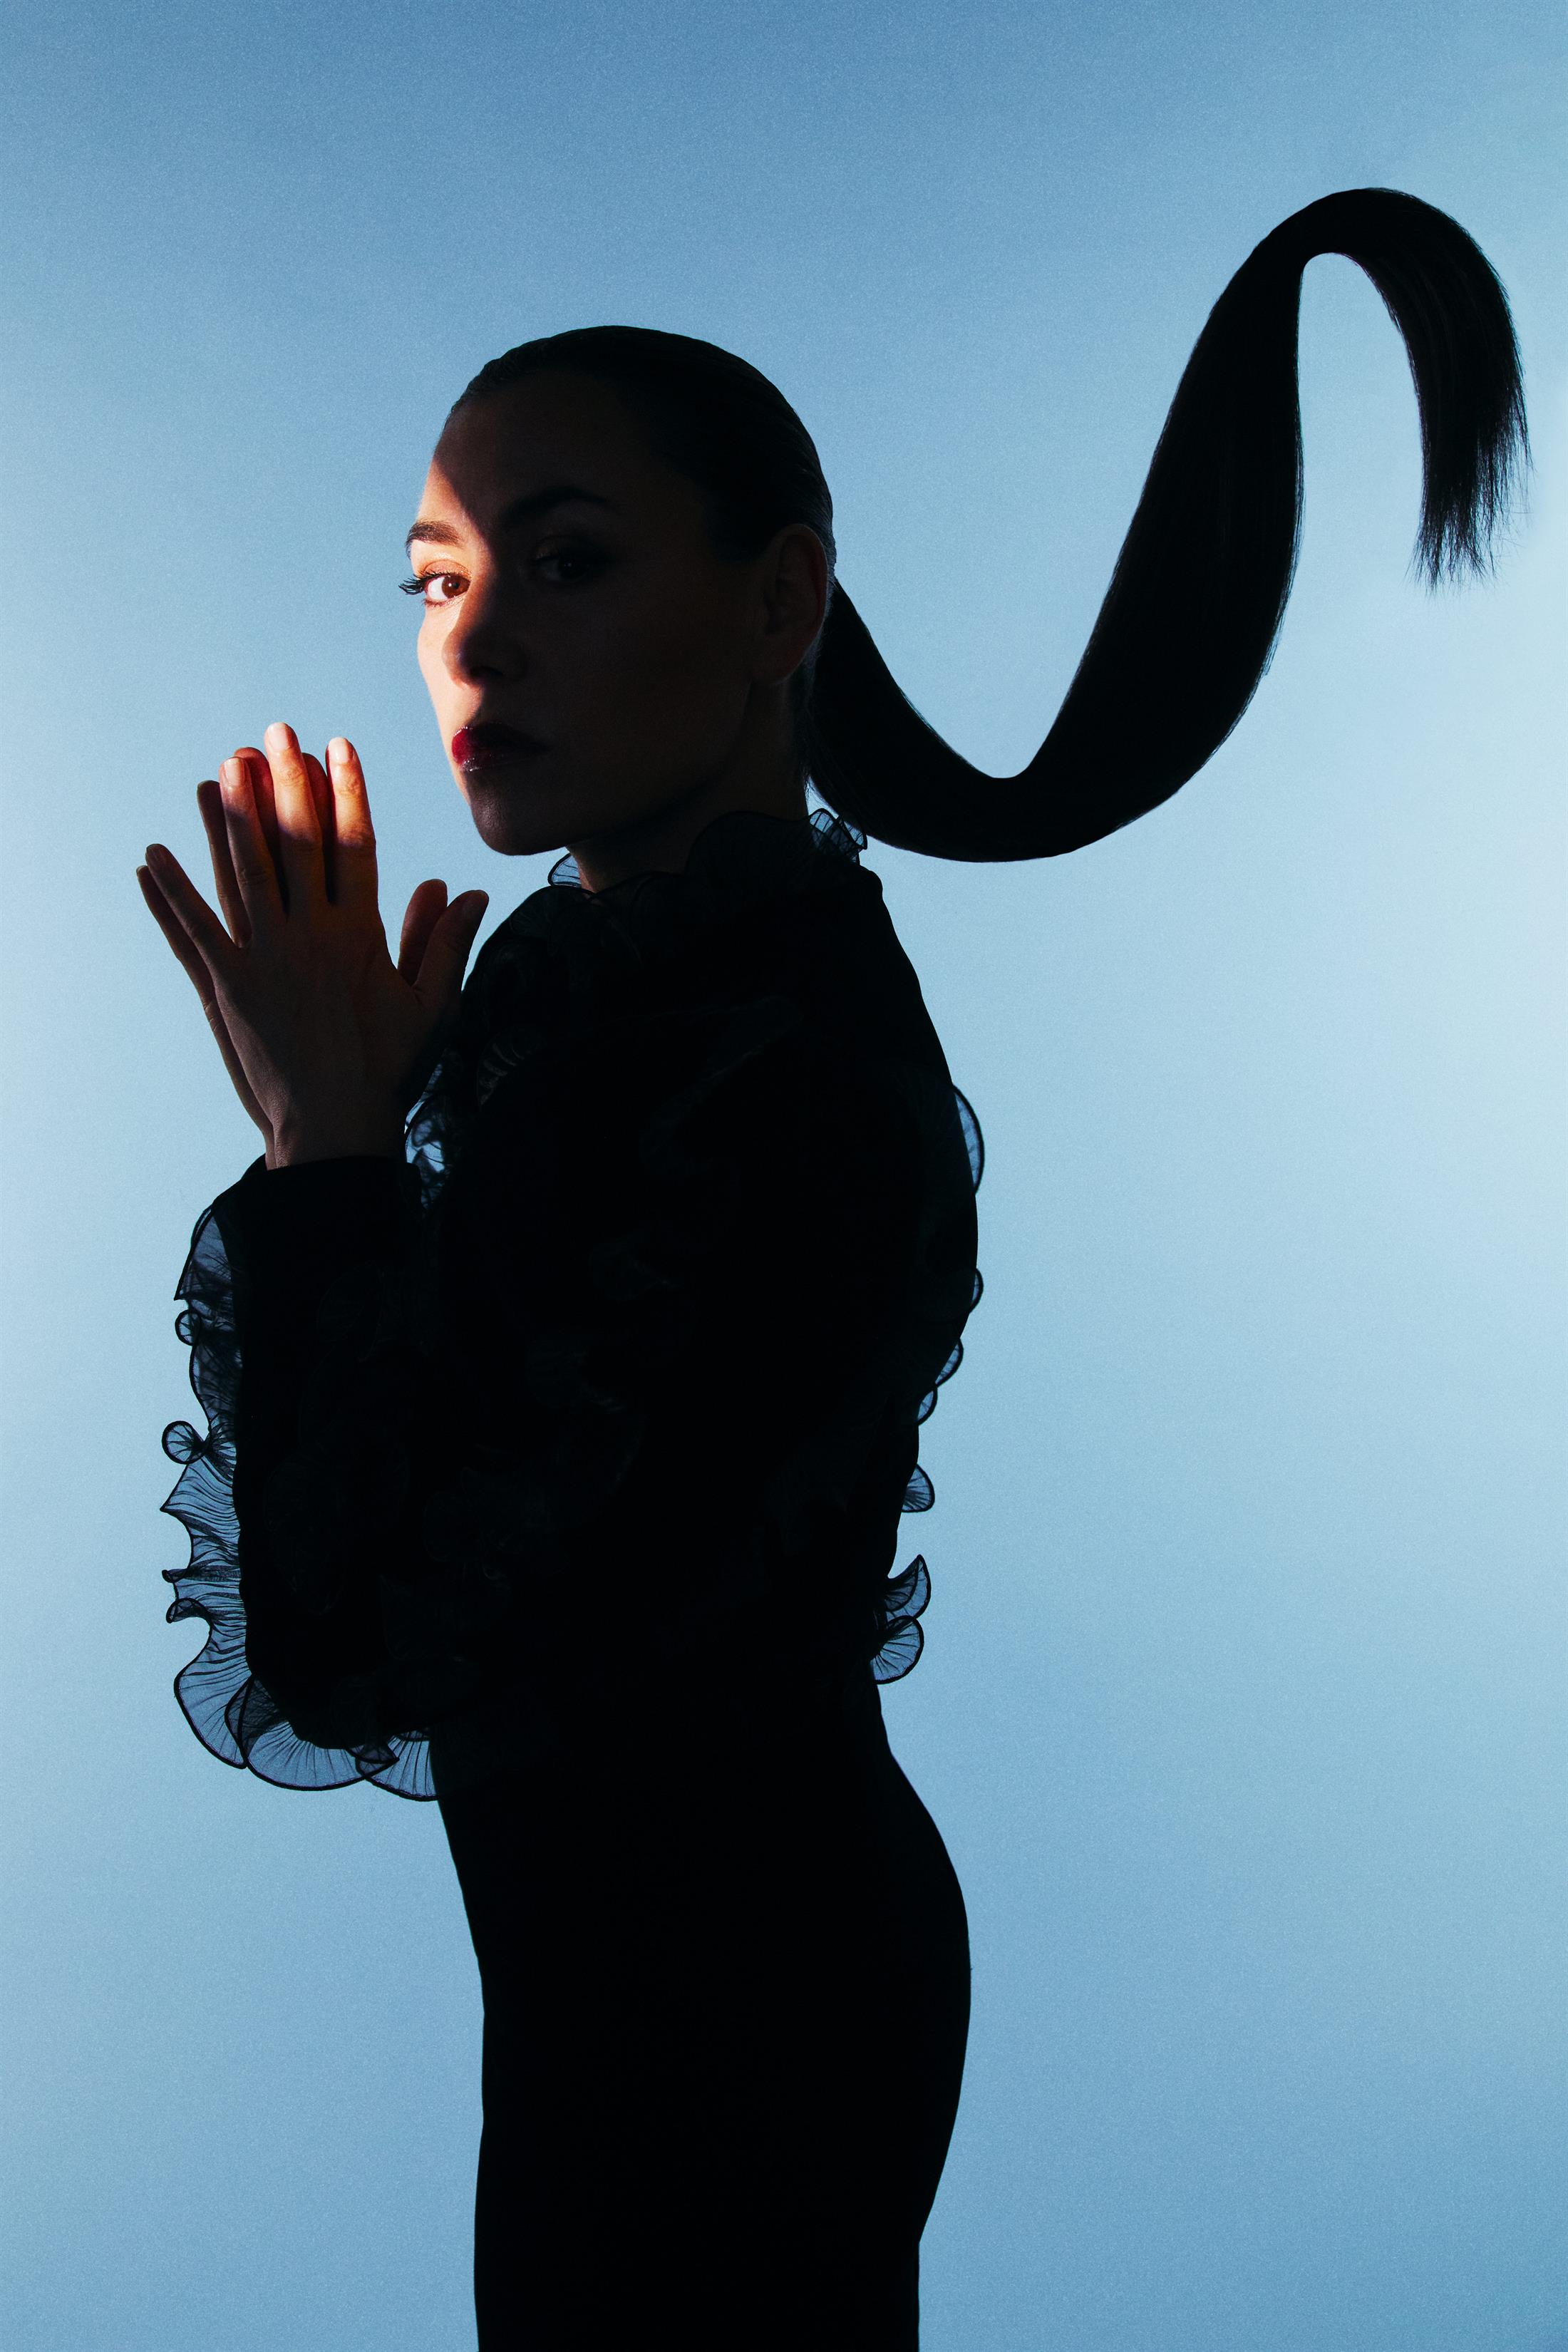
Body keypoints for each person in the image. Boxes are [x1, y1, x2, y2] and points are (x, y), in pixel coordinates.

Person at [138, 187, 1525, 2348]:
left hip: (731, 2013)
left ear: (779, 598)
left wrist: (327, 1157)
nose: (472, 653)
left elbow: (354, 1635)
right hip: (675, 1988)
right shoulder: (624, 1005)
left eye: (565, 564)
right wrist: (363, 1138)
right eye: (439, 581)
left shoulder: (760, 1052)